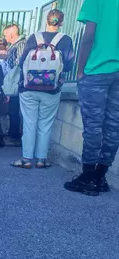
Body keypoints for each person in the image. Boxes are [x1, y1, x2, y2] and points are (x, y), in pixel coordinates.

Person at [64, 0, 119, 196]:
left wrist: (80, 70)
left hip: (97, 70)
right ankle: (100, 176)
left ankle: (88, 178)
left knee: (93, 126)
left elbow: (89, 35)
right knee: (114, 126)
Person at [11, 9, 74, 169]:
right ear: (61, 22)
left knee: (29, 123)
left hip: (28, 87)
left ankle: (26, 158)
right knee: (45, 124)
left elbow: (22, 61)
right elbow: (68, 66)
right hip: (51, 89)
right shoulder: (65, 40)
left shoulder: (34, 38)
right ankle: (41, 159)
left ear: (46, 20)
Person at [3, 24, 27, 146]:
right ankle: (13, 134)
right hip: (15, 82)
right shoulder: (15, 45)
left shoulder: (20, 45)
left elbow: (19, 65)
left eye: (6, 34)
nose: (5, 37)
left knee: (15, 110)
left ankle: (15, 136)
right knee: (13, 109)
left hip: (17, 83)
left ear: (11, 34)